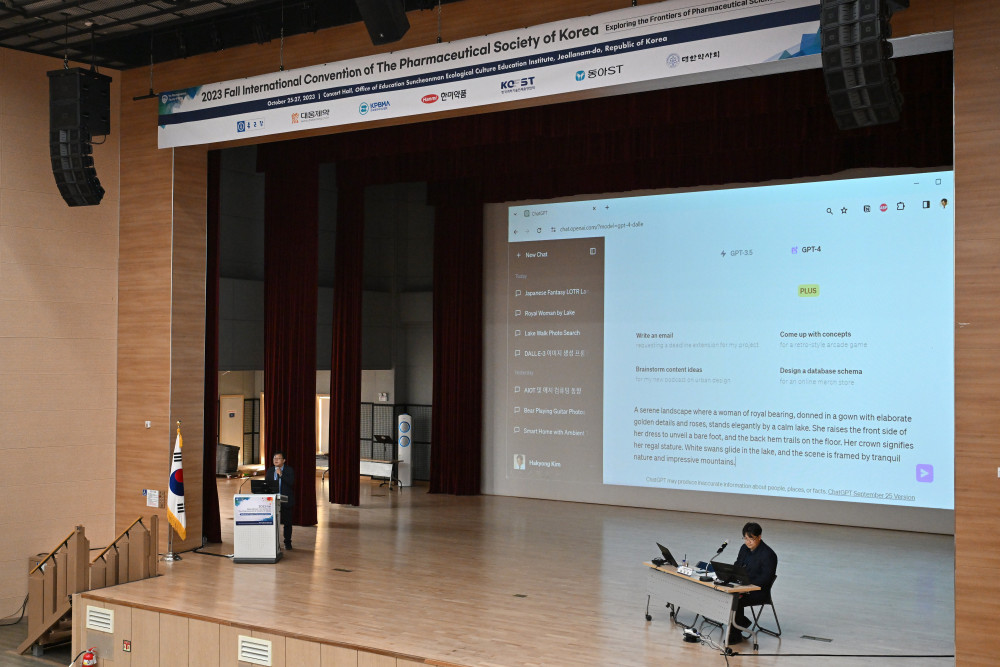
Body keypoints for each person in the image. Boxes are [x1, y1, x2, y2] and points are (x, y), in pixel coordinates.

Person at [728, 521, 777, 644]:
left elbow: (766, 579)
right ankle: (741, 622)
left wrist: (747, 587)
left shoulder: (769, 555)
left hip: (758, 592)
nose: (748, 542)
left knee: (735, 600)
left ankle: (735, 635)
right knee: (723, 594)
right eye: (745, 538)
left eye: (751, 539)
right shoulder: (744, 548)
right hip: (742, 586)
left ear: (759, 537)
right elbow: (737, 565)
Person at [265, 451, 295, 550]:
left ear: (284, 460)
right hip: (273, 500)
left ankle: (287, 542)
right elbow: (266, 484)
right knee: (272, 522)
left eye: (278, 458)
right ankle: (272, 542)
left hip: (285, 499)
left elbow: (291, 483)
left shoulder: (289, 470)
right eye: (274, 458)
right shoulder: (270, 470)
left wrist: (281, 474)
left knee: (287, 522)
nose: (276, 460)